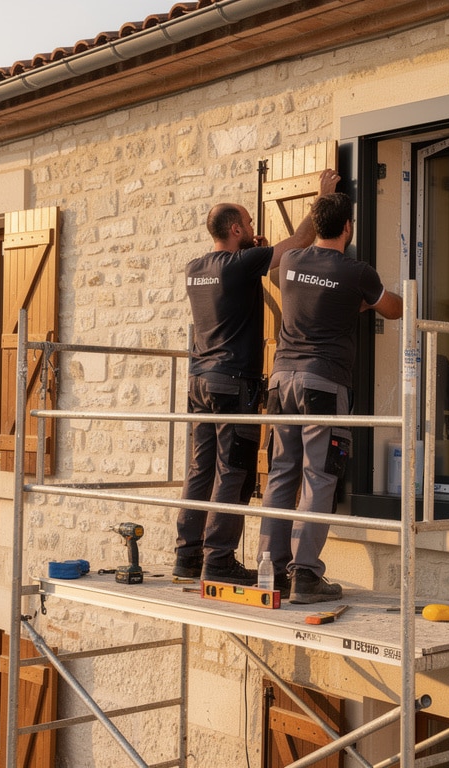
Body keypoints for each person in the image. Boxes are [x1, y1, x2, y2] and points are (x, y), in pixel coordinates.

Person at [174, 169, 341, 584]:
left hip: (199, 382)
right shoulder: (242, 263)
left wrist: (253, 252)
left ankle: (187, 556)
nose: (253, 228)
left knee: (200, 469)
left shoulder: (196, 268)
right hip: (232, 383)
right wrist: (320, 199)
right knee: (233, 471)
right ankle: (218, 560)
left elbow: (236, 278)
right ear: (235, 229)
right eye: (248, 223)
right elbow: (298, 242)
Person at [257, 192, 402, 603]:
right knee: (319, 476)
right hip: (323, 382)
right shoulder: (357, 272)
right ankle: (304, 575)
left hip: (281, 381)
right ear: (348, 228)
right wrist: (399, 299)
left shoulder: (289, 261)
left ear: (316, 225)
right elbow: (392, 309)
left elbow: (294, 289)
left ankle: (271, 569)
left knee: (282, 472)